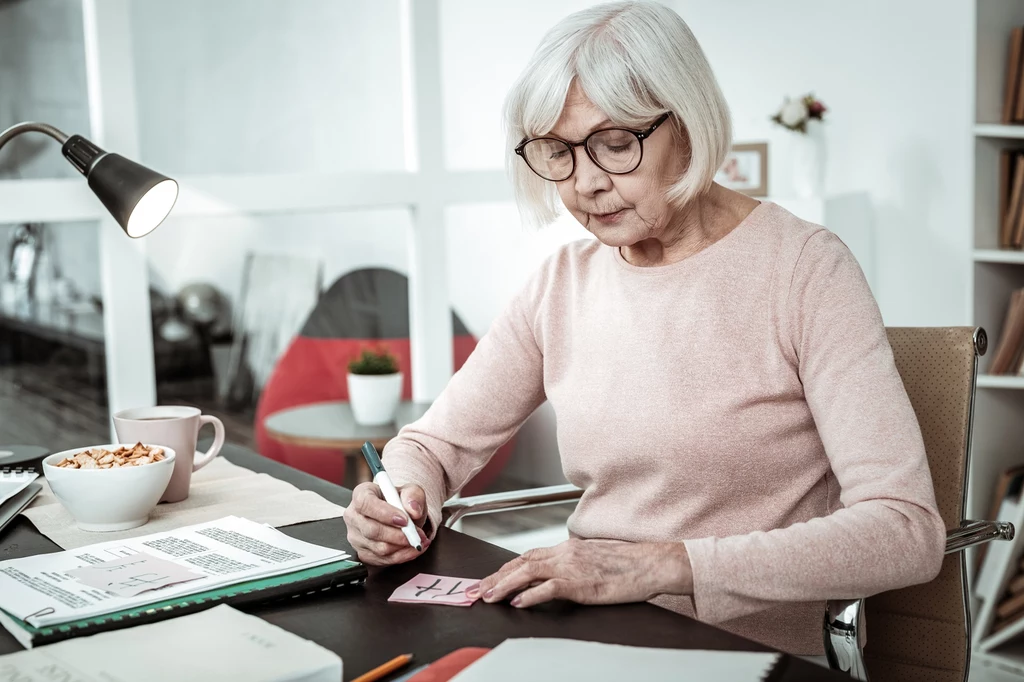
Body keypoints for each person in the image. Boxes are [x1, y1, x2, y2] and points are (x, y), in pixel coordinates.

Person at [343, 1, 944, 656]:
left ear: (686, 124)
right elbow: (431, 445)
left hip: (735, 652)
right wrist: (403, 495)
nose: (587, 184)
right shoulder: (562, 281)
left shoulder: (805, 269)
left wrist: (665, 566)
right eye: (559, 152)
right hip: (579, 637)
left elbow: (904, 531)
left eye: (615, 143)